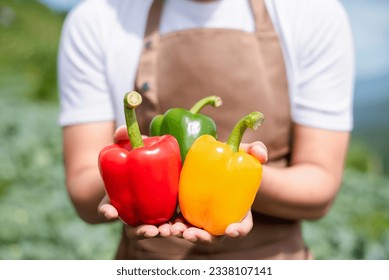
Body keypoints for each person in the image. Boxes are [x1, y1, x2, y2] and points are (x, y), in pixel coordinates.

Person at [58, 0, 355, 259]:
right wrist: (144, 168)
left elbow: (320, 188)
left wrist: (233, 176)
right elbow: (84, 193)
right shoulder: (95, 20)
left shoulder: (314, 13)